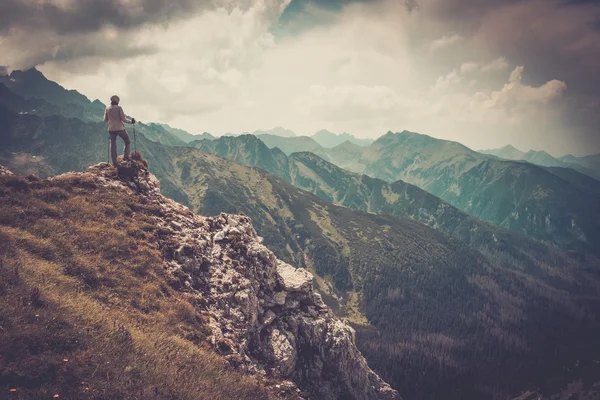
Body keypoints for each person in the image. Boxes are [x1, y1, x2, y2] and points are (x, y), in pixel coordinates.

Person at [104, 95, 136, 167]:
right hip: (120, 128)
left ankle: (114, 162)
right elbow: (123, 119)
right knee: (127, 141)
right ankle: (126, 157)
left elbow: (105, 120)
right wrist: (131, 122)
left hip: (111, 129)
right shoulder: (119, 108)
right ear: (117, 101)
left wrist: (111, 121)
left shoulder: (107, 108)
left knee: (113, 145)